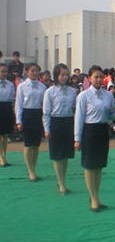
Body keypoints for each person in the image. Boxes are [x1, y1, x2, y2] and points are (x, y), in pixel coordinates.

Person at [74, 65, 115, 212]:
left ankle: (96, 196)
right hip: (89, 131)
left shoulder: (108, 95)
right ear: (89, 79)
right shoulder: (83, 96)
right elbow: (79, 118)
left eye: (101, 77)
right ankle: (92, 197)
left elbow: (111, 116)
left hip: (102, 131)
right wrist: (77, 138)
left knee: (99, 166)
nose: (99, 80)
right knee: (90, 166)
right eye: (96, 77)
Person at [43, 64, 77, 195]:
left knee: (66, 154)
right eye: (61, 74)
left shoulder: (72, 91)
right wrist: (47, 129)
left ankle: (63, 180)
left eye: (66, 74)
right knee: (57, 155)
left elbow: (75, 109)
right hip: (55, 122)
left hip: (68, 122)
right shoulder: (50, 92)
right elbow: (46, 112)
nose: (64, 77)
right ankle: (61, 182)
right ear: (56, 75)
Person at [15, 63, 47, 181]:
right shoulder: (22, 86)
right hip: (27, 115)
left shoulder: (42, 87)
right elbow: (18, 104)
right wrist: (19, 121)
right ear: (27, 72)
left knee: (36, 144)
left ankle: (34, 168)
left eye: (36, 71)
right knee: (28, 144)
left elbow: (44, 104)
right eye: (32, 71)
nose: (34, 73)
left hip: (38, 115)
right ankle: (30, 170)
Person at [0, 63, 15, 167]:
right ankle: (0, 157)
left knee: (5, 135)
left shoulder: (10, 84)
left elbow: (12, 97)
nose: (4, 73)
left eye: (5, 71)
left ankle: (4, 156)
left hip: (7, 108)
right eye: (2, 71)